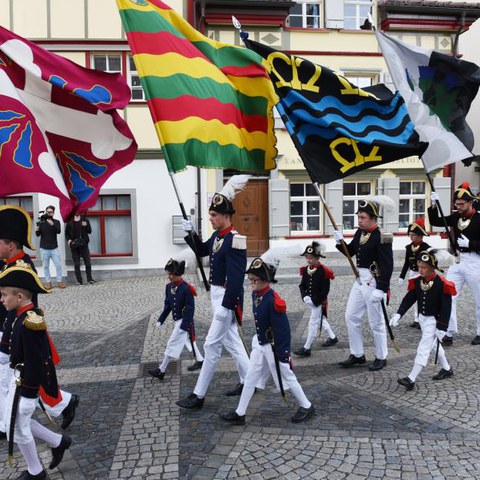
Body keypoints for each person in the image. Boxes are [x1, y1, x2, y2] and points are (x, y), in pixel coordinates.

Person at [0, 205, 79, 440]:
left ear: (11, 245)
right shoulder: (8, 263)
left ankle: (11, 423)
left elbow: (20, 308)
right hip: (8, 331)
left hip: (16, 333)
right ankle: (63, 404)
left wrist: (7, 340)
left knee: (24, 380)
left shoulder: (22, 267)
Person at [176, 175, 250, 409]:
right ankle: (250, 380)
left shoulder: (235, 240)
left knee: (211, 346)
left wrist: (226, 307)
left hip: (227, 299)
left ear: (226, 216)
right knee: (234, 344)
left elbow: (237, 279)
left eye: (214, 215)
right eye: (210, 214)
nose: (211, 218)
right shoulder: (218, 236)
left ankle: (198, 395)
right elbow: (202, 250)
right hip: (217, 296)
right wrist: (190, 233)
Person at [220, 251, 314, 425]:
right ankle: (240, 413)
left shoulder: (274, 301)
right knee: (250, 377)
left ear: (265, 280)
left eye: (254, 280)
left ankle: (307, 405)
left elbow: (283, 331)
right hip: (260, 344)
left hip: (274, 347)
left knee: (287, 376)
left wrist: (283, 353)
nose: (251, 284)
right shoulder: (257, 294)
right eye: (250, 280)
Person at [0, 265, 72, 479]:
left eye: (4, 295)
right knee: (15, 421)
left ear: (19, 296)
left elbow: (35, 362)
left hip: (26, 383)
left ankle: (36, 472)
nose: (2, 299)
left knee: (17, 428)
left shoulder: (30, 321)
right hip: (18, 379)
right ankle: (59, 442)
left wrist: (30, 396)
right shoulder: (18, 315)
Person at [334, 196, 394, 371]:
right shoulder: (361, 233)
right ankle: (358, 354)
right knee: (351, 316)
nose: (359, 220)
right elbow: (350, 252)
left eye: (363, 217)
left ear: (373, 218)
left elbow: (387, 265)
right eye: (358, 217)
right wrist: (340, 242)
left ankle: (381, 356)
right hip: (360, 279)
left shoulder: (381, 236)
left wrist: (382, 289)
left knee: (376, 322)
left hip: (374, 280)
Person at [389, 248, 456, 390]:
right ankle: (447, 368)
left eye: (424, 267)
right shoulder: (418, 281)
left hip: (434, 321)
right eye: (419, 266)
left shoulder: (443, 284)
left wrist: (442, 328)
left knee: (424, 347)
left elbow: (446, 309)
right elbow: (409, 298)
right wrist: (399, 314)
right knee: (433, 345)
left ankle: (411, 378)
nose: (421, 270)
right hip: (422, 319)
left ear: (433, 268)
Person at [429, 182, 480, 345]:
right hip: (457, 261)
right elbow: (436, 221)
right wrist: (433, 205)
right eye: (456, 204)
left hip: (475, 261)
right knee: (448, 294)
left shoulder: (479, 218)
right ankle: (448, 332)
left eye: (461, 204)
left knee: (479, 299)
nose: (458, 206)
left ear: (470, 202)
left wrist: (471, 244)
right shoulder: (456, 217)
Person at [148, 257, 204, 380]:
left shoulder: (186, 288)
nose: (169, 277)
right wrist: (161, 319)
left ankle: (161, 370)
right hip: (177, 321)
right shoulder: (168, 287)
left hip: (183, 322)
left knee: (171, 344)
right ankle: (200, 359)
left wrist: (184, 326)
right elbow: (168, 305)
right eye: (168, 274)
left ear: (178, 274)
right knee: (189, 341)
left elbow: (190, 309)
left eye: (171, 274)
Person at [294, 241, 338, 357]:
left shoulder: (324, 271)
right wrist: (305, 297)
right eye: (307, 258)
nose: (309, 260)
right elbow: (302, 285)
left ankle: (307, 348)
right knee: (321, 320)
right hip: (310, 300)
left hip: (319, 302)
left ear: (318, 257)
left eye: (311, 258)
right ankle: (333, 337)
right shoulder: (306, 269)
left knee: (313, 322)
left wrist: (315, 301)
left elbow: (325, 290)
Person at [398, 217, 430, 329]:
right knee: (414, 297)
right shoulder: (409, 248)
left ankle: (423, 318)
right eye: (410, 234)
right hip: (412, 274)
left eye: (414, 235)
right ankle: (416, 319)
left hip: (422, 274)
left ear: (420, 236)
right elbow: (406, 263)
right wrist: (402, 276)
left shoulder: (426, 248)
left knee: (422, 297)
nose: (411, 237)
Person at [35, 205, 65, 289]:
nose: (49, 213)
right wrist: (37, 229)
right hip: (44, 248)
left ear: (53, 213)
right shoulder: (42, 222)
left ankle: (59, 282)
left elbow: (58, 231)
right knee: (45, 266)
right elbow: (37, 234)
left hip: (54, 248)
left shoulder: (56, 222)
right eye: (47, 212)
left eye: (50, 212)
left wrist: (52, 225)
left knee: (58, 265)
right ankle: (48, 283)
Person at [65, 212, 96, 285]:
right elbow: (66, 233)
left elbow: (89, 231)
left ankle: (89, 279)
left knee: (87, 262)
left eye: (78, 210)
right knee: (76, 264)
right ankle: (79, 281)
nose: (77, 212)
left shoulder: (85, 220)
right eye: (76, 210)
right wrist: (68, 240)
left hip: (83, 244)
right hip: (74, 245)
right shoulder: (70, 221)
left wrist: (86, 225)